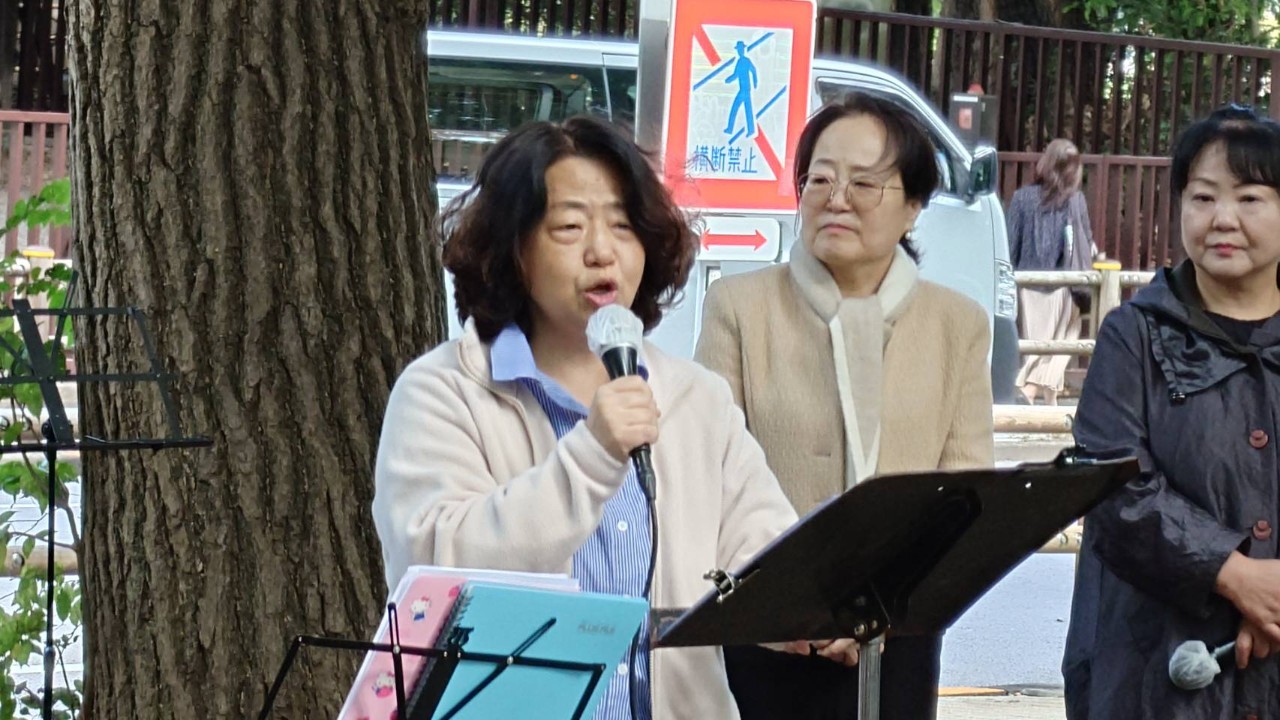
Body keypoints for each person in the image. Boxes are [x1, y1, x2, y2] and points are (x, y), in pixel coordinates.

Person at [371, 115, 824, 720]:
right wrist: (593, 453)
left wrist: (805, 611)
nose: (601, 251)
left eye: (623, 225)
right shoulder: (444, 391)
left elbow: (763, 550)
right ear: (513, 249)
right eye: (569, 227)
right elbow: (436, 572)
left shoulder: (695, 398)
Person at [695, 92, 995, 720]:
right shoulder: (739, 308)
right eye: (820, 179)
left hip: (899, 638)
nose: (836, 198)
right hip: (766, 636)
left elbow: (966, 501)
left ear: (913, 207)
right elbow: (707, 481)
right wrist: (788, 611)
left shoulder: (957, 325)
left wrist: (880, 610)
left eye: (864, 183)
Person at [1062, 104, 1280, 719]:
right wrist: (1234, 575)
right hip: (1154, 673)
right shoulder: (1133, 336)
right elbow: (1110, 484)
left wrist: (1272, 600)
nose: (1223, 219)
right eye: (1203, 197)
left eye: (1250, 198)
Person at [1007, 138, 1095, 406]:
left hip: (1028, 286)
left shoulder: (1021, 198)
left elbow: (1011, 246)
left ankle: (1049, 399)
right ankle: (1029, 388)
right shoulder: (1075, 201)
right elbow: (1085, 241)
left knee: (1037, 347)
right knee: (1063, 340)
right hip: (1065, 286)